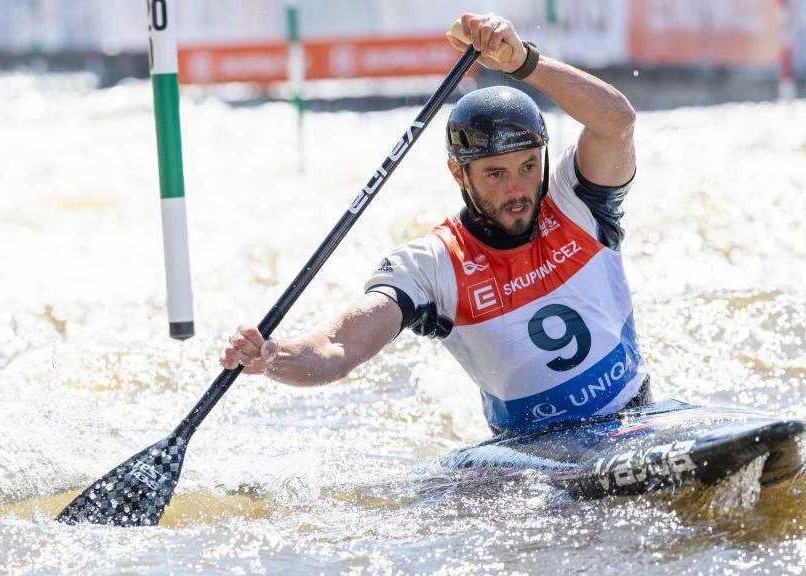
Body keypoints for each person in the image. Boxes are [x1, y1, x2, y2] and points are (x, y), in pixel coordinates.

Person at [220, 12, 646, 434]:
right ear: (459, 174)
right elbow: (340, 346)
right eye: (495, 174)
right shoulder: (431, 267)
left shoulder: (576, 201)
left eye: (528, 166)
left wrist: (524, 64)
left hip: (633, 416)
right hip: (534, 457)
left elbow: (617, 122)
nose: (518, 190)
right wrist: (273, 357)